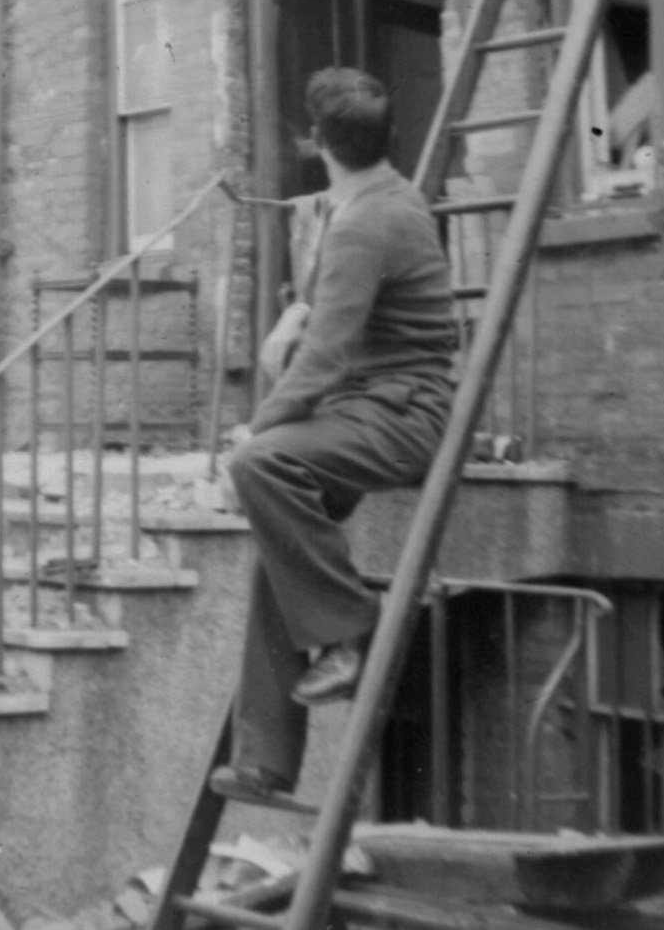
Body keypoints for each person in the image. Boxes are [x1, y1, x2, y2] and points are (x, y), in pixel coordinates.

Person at [212, 67, 459, 806]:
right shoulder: (381, 196)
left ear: (317, 143)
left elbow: (324, 359)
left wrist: (249, 432)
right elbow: (333, 310)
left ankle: (349, 627)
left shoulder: (363, 220)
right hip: (367, 406)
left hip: (398, 415)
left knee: (260, 464)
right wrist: (299, 307)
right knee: (280, 546)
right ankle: (266, 760)